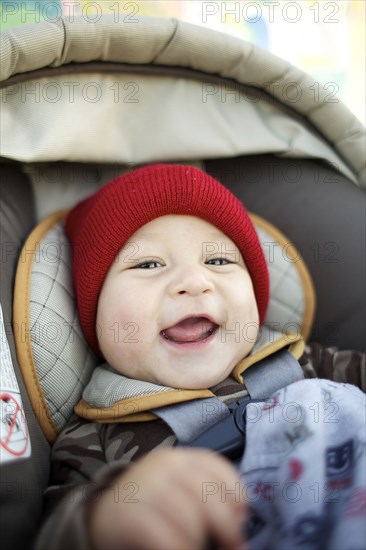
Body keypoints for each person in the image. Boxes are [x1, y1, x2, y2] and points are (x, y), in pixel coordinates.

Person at [36, 164, 365, 550]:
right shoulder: (95, 433)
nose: (195, 282)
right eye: (148, 264)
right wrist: (107, 517)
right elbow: (58, 526)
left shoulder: (304, 362)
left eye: (219, 261)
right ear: (93, 314)